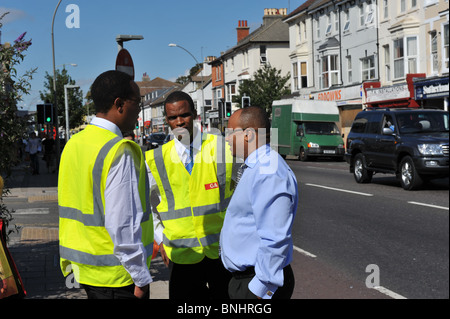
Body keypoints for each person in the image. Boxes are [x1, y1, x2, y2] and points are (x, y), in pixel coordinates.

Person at [58, 70, 153, 299]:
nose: (139, 110)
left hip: (85, 270)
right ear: (119, 104)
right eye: (137, 102)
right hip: (118, 277)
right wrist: (140, 278)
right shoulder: (119, 150)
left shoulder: (73, 144)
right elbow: (122, 224)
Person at [145, 91, 234, 299]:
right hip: (181, 254)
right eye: (172, 117)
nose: (179, 122)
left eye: (184, 115)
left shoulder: (221, 147)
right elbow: (150, 207)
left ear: (195, 114)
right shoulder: (156, 159)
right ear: (167, 120)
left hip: (221, 252)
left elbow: (239, 194)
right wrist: (161, 239)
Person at [221, 106, 298, 299]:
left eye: (230, 133)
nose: (227, 139)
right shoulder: (255, 167)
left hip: (256, 284)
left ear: (248, 135)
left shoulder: (268, 171)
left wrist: (259, 290)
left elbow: (275, 238)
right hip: (247, 280)